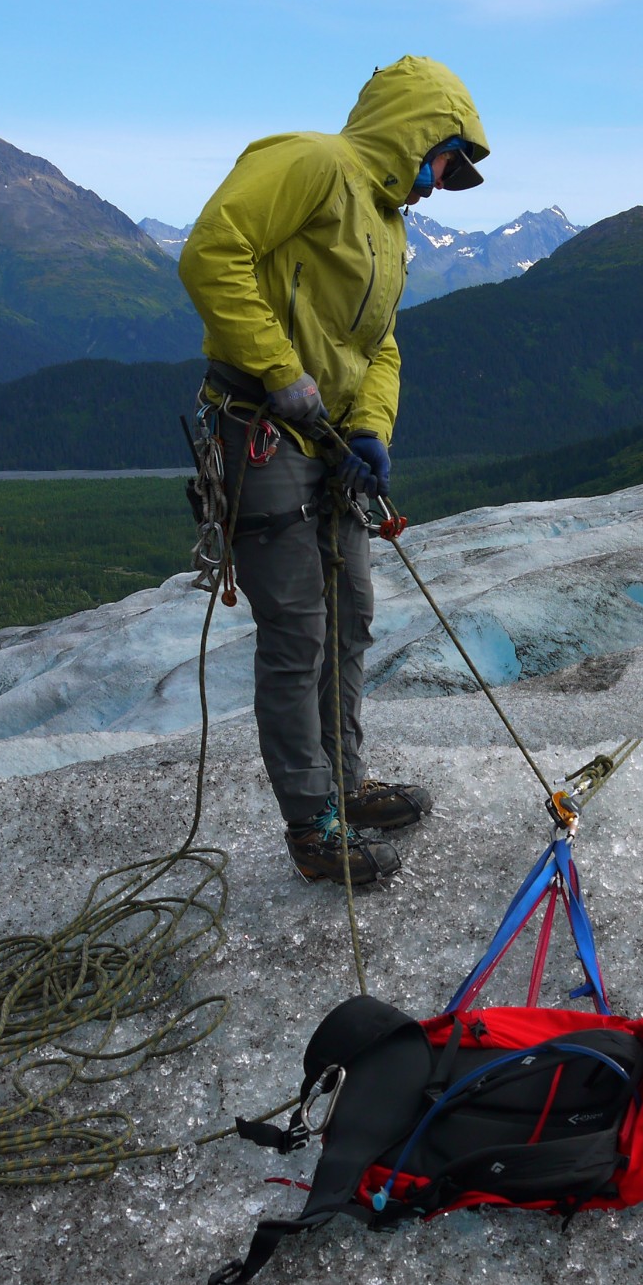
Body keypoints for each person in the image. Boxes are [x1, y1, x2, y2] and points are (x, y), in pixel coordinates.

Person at [178, 57, 488, 885]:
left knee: (348, 616)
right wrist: (279, 368)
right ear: (421, 132)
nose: (442, 180)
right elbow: (213, 253)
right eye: (446, 159)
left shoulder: (389, 230)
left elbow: (377, 345)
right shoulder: (310, 164)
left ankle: (346, 785)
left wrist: (371, 427)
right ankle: (313, 822)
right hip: (257, 426)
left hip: (327, 444)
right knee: (297, 633)